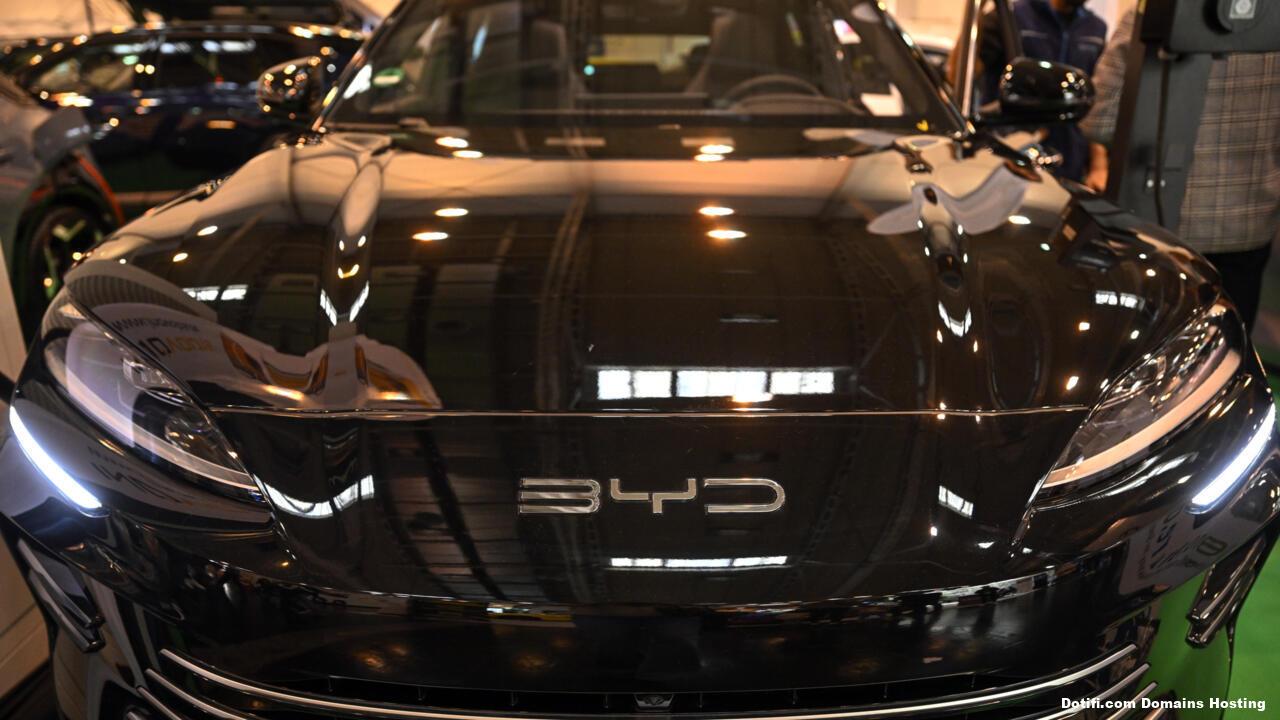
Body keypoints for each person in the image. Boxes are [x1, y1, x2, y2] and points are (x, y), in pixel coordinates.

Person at [1081, 9, 1280, 332]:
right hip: (1249, 224)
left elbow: (1099, 120)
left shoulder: (1153, 12)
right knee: (1227, 344)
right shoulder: (1271, 19)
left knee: (1148, 344)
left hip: (1154, 223)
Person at [975, 0, 1108, 182]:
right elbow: (962, 72)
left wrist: (1098, 166)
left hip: (1070, 162)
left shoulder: (1096, 29)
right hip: (1009, 158)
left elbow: (1097, 100)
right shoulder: (1009, 16)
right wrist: (976, 21)